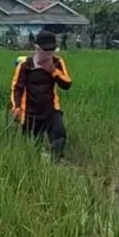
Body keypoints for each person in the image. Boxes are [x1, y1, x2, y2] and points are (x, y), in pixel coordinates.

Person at [10, 30, 72, 161]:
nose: (48, 54)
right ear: (37, 48)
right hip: (30, 112)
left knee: (59, 135)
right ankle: (35, 169)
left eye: (51, 51)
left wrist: (53, 71)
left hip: (50, 108)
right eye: (45, 51)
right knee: (32, 147)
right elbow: (17, 88)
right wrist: (16, 107)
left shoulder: (57, 62)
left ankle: (55, 163)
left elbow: (67, 84)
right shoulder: (25, 65)